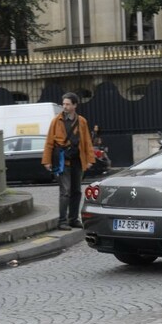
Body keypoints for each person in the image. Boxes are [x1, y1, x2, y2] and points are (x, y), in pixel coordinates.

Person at [42, 93, 96, 231]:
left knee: (77, 191)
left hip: (77, 160)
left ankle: (73, 219)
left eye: (67, 104)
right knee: (65, 191)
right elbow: (49, 141)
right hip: (62, 161)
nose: (64, 106)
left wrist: (90, 159)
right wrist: (47, 161)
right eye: (63, 104)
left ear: (74, 105)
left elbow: (87, 142)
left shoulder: (82, 121)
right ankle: (62, 221)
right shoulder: (56, 121)